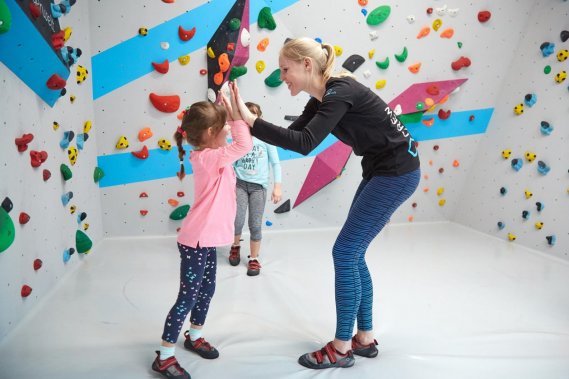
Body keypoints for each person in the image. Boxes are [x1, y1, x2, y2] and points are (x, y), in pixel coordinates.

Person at [230, 37, 421, 369]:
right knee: (353, 251)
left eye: (285, 69)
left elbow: (305, 143)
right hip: (382, 170)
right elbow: (293, 136)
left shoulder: (339, 92)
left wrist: (251, 120)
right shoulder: (320, 99)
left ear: (307, 65)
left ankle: (341, 347)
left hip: (397, 172)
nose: (282, 76)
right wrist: (245, 123)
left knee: (345, 251)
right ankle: (363, 338)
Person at [151, 85, 253, 379]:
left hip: (205, 240)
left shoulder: (213, 152)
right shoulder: (210, 158)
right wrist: (234, 111)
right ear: (210, 132)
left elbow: (235, 140)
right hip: (196, 241)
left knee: (206, 291)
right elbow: (243, 143)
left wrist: (224, 110)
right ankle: (165, 357)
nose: (229, 133)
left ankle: (193, 336)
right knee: (187, 297)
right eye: (223, 129)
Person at [229, 102, 283, 276]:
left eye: (253, 116)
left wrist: (277, 186)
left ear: (259, 119)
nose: (248, 120)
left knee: (255, 224)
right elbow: (232, 162)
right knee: (237, 220)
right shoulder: (239, 138)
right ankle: (235, 246)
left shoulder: (266, 139)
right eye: (245, 116)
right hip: (239, 184)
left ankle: (253, 258)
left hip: (258, 187)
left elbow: (275, 163)